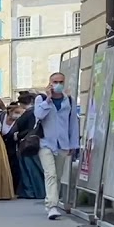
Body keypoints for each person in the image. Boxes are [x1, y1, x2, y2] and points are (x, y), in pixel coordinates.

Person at [34, 72, 80, 219]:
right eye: (55, 81)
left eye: (60, 81)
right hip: (45, 142)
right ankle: (52, 206)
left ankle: (52, 201)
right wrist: (47, 99)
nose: (58, 84)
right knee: (50, 174)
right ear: (50, 82)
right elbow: (38, 115)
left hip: (63, 143)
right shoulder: (40, 99)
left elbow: (73, 124)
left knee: (58, 176)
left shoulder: (70, 101)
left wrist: (74, 144)